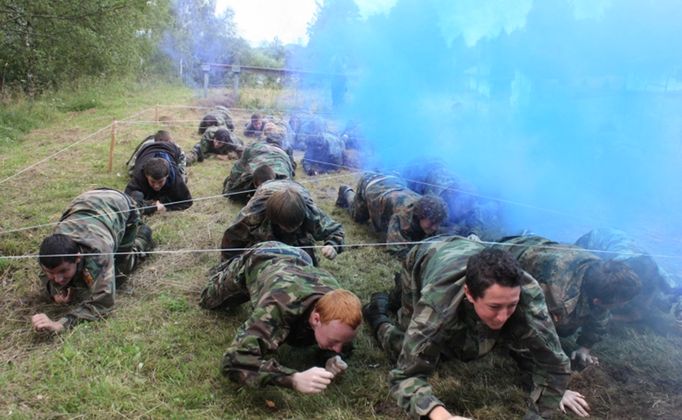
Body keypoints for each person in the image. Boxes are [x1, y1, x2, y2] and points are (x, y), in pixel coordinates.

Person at [363, 235, 590, 419]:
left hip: (470, 250)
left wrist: (540, 411)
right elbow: (404, 376)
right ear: (469, 294)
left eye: (511, 305)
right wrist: (442, 416)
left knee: (473, 342)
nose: (503, 317)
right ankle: (377, 313)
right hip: (426, 255)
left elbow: (554, 364)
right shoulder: (437, 303)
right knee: (403, 343)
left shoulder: (528, 296)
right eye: (494, 306)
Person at [199, 241, 362, 393]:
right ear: (316, 319)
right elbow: (234, 360)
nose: (339, 348)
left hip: (300, 257)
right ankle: (228, 266)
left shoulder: (339, 313)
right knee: (208, 299)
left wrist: (331, 358)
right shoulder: (278, 305)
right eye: (334, 342)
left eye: (342, 342)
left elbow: (341, 341)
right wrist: (293, 379)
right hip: (262, 256)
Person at [492, 234, 641, 366]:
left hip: (538, 250)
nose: (624, 305)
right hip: (504, 255)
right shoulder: (557, 298)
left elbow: (601, 314)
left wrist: (584, 347)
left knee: (564, 326)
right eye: (620, 302)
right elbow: (529, 336)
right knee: (558, 324)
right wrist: (555, 383)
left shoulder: (600, 275)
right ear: (597, 301)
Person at [32, 189, 154, 333]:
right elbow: (45, 274)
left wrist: (61, 324)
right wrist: (54, 292)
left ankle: (143, 238)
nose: (57, 278)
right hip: (85, 202)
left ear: (78, 257)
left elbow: (104, 303)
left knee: (119, 274)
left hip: (120, 204)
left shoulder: (98, 253)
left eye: (63, 271)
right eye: (51, 273)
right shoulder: (52, 251)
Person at [220, 179, 344, 265]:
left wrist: (333, 245)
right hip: (268, 188)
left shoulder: (310, 212)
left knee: (306, 262)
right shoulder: (254, 213)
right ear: (274, 220)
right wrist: (229, 264)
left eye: (296, 226)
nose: (291, 229)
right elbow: (231, 239)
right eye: (287, 227)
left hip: (296, 188)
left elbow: (336, 230)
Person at [575, 228, 682, 325]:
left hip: (619, 241)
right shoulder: (614, 267)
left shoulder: (660, 277)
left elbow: (639, 313)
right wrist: (603, 316)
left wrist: (615, 317)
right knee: (585, 285)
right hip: (594, 241)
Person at [336, 172, 447, 258]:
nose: (435, 227)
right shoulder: (402, 215)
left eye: (438, 223)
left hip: (393, 179)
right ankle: (346, 191)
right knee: (358, 216)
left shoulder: (429, 209)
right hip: (371, 184)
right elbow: (396, 250)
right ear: (421, 215)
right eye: (432, 223)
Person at [401, 159, 502, 240]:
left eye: (468, 205)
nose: (466, 210)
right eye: (463, 206)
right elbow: (426, 218)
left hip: (441, 166)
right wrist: (445, 230)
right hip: (420, 171)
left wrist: (474, 233)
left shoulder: (467, 198)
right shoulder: (438, 195)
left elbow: (475, 214)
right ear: (452, 198)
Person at [124, 142, 193, 216]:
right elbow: (126, 199)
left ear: (167, 176)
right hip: (147, 147)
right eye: (152, 181)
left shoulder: (174, 177)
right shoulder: (139, 175)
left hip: (171, 148)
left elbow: (187, 202)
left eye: (160, 182)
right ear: (146, 176)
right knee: (130, 172)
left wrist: (166, 207)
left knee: (182, 182)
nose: (156, 186)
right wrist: (149, 206)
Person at [222, 140, 296, 203]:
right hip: (260, 149)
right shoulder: (248, 177)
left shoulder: (284, 183)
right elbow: (229, 191)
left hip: (281, 154)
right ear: (255, 184)